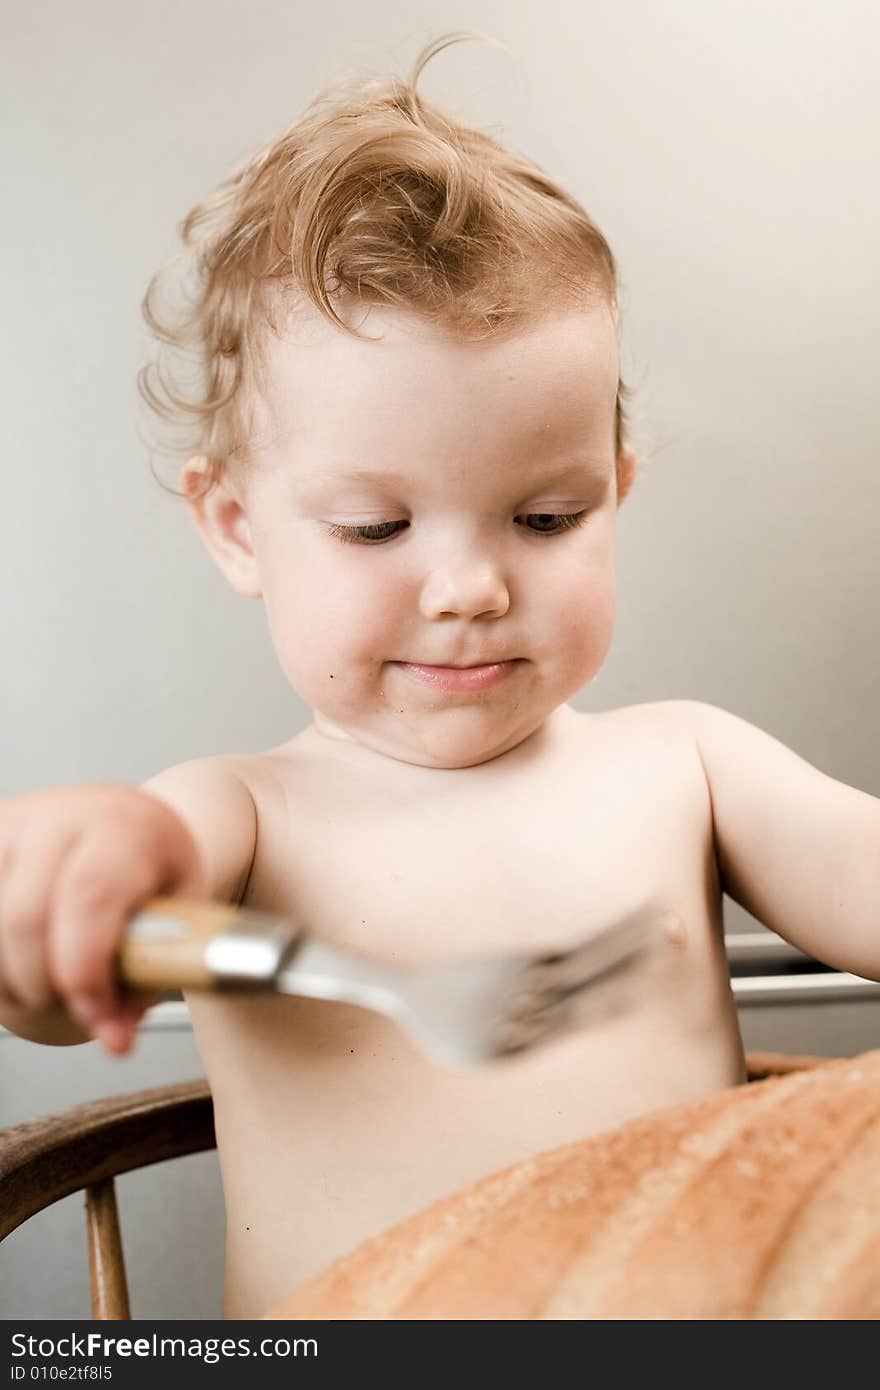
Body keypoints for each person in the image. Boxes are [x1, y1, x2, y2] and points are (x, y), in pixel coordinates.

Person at [1, 33, 877, 1319]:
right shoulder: (240, 818)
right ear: (239, 527)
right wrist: (75, 879)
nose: (469, 587)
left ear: (616, 492)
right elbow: (66, 986)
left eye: (546, 518)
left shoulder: (687, 765)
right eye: (374, 528)